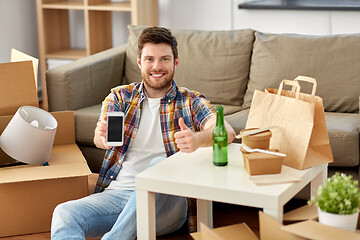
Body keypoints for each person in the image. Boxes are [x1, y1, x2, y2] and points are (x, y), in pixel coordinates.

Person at [51, 26, 236, 240]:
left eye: (164, 59)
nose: (157, 66)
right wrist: (102, 138)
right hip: (118, 196)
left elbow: (227, 131)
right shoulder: (119, 97)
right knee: (64, 214)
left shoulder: (190, 101)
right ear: (139, 62)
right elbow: (99, 139)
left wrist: (197, 139)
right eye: (149, 59)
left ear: (175, 62)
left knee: (157, 165)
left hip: (168, 202)